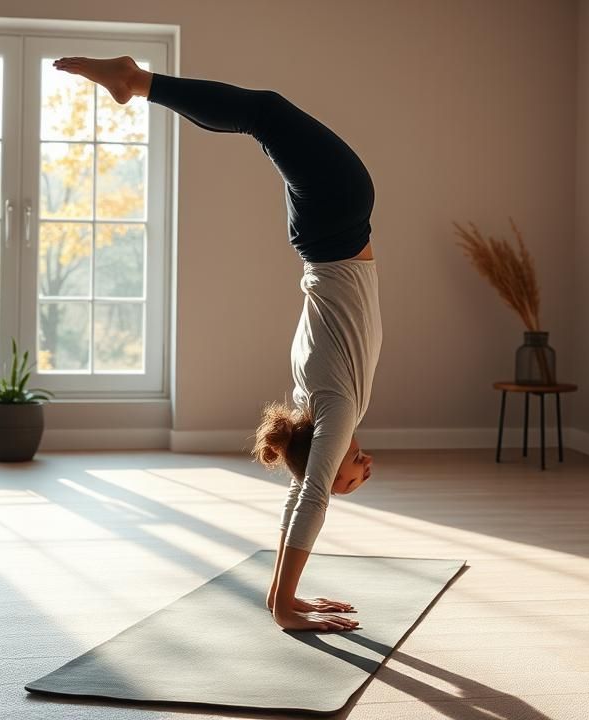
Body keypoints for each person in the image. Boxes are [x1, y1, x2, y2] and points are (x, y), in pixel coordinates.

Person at [54, 57, 381, 632]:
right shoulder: (311, 396)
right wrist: (287, 591)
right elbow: (304, 491)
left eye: (354, 469)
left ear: (328, 459)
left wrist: (285, 601)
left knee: (263, 113)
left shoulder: (334, 406)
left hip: (337, 222)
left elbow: (309, 500)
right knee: (264, 116)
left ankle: (136, 81)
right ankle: (136, 82)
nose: (367, 461)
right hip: (334, 229)